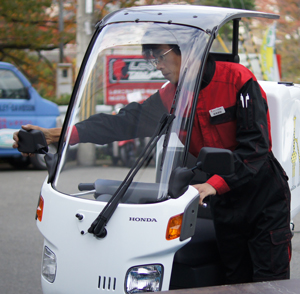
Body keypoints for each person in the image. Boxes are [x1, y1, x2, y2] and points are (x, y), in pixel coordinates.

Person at [13, 43, 291, 284]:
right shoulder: (172, 96)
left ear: (188, 51)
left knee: (269, 280)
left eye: (160, 57)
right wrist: (56, 135)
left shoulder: (237, 80)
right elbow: (122, 123)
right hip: (224, 202)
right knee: (235, 279)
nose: (157, 66)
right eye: (152, 60)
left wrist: (212, 184)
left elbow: (256, 148)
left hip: (262, 196)